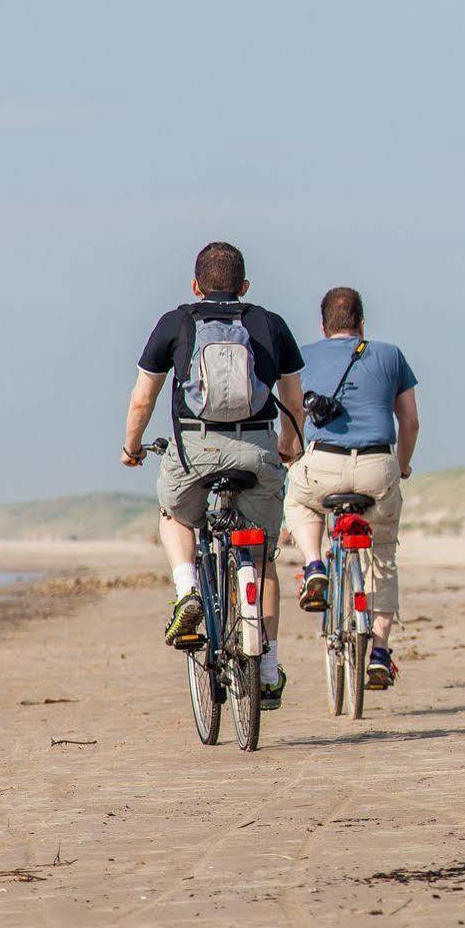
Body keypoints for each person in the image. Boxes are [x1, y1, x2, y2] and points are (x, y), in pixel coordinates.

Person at [122, 242, 305, 710]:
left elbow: (143, 398)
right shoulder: (270, 324)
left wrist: (131, 447)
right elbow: (294, 396)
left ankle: (186, 591)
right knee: (261, 556)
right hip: (257, 452)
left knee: (174, 514)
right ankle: (266, 667)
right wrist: (290, 443)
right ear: (245, 287)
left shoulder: (176, 322)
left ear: (195, 285)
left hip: (194, 450)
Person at [283, 287, 419, 691]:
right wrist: (404, 464)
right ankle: (378, 652)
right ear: (362, 324)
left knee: (299, 500)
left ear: (323, 326)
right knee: (382, 553)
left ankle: (314, 565)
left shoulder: (303, 357)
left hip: (323, 462)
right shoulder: (390, 355)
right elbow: (409, 422)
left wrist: (290, 455)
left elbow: (292, 416)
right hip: (378, 465)